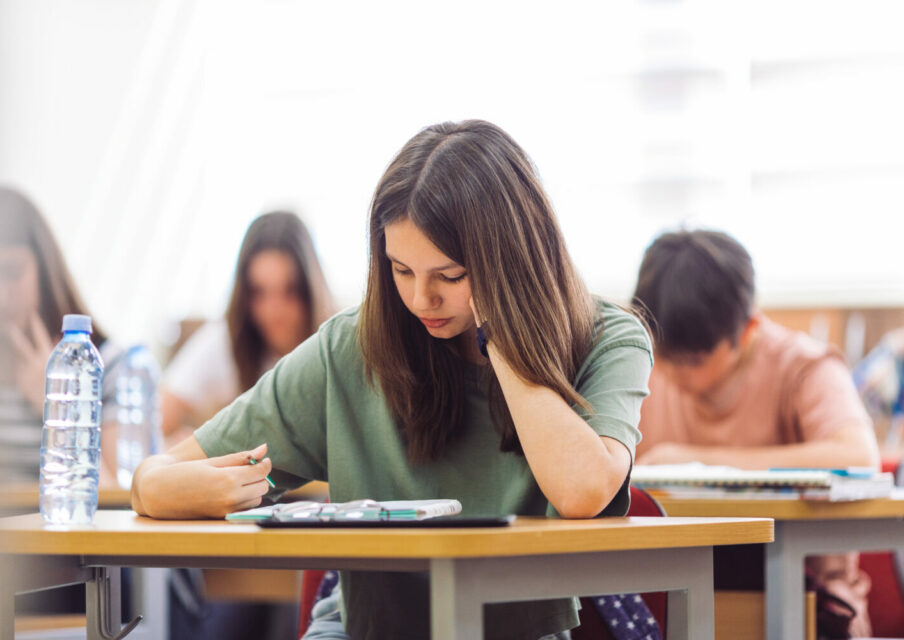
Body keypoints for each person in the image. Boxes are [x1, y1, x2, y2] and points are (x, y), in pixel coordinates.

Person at [131, 119, 653, 640]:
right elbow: (153, 478)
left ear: (508, 264)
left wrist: (502, 331)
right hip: (363, 629)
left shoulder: (607, 338)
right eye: (401, 270)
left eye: (450, 276)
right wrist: (163, 489)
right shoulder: (351, 347)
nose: (421, 300)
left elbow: (583, 491)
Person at [631, 228, 880, 636]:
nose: (672, 373)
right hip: (680, 599)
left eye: (693, 359)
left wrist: (697, 461)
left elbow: (857, 454)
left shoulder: (804, 366)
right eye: (663, 355)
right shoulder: (643, 370)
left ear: (748, 330)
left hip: (810, 605)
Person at [161, 210, 335, 442]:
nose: (274, 311)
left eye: (290, 291)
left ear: (311, 290)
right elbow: (157, 418)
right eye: (259, 292)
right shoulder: (226, 341)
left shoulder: (335, 343)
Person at [0, 185, 125, 485]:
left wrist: (56, 407)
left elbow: (119, 500)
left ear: (44, 269)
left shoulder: (104, 363)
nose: (2, 297)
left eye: (13, 273)